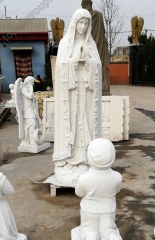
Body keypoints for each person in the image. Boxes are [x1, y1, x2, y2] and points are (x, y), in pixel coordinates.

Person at [53, 8, 102, 186]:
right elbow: (59, 67)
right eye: (80, 23)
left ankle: (87, 159)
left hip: (86, 91)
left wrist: (88, 63)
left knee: (86, 123)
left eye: (86, 24)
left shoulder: (91, 45)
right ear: (74, 23)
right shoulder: (66, 43)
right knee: (72, 124)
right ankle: (69, 158)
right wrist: (73, 62)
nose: (83, 26)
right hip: (71, 93)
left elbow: (97, 66)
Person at [75, 138, 128, 240]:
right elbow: (117, 190)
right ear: (112, 155)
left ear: (89, 156)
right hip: (108, 210)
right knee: (107, 229)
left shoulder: (85, 178)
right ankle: (110, 238)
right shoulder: (117, 176)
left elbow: (79, 193)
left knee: (88, 228)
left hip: (89, 210)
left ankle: (90, 237)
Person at [81, 0, 110, 95]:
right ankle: (103, 89)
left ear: (83, 5)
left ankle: (89, 89)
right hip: (100, 45)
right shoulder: (99, 15)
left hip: (87, 46)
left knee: (86, 67)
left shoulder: (82, 16)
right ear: (91, 4)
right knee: (99, 65)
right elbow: (103, 31)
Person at [16, 76, 42, 148]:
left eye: (33, 83)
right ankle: (30, 141)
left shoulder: (27, 88)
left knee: (34, 124)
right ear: (28, 82)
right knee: (32, 124)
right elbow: (30, 96)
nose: (33, 84)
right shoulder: (24, 89)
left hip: (31, 109)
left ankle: (32, 139)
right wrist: (31, 87)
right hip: (27, 110)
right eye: (32, 83)